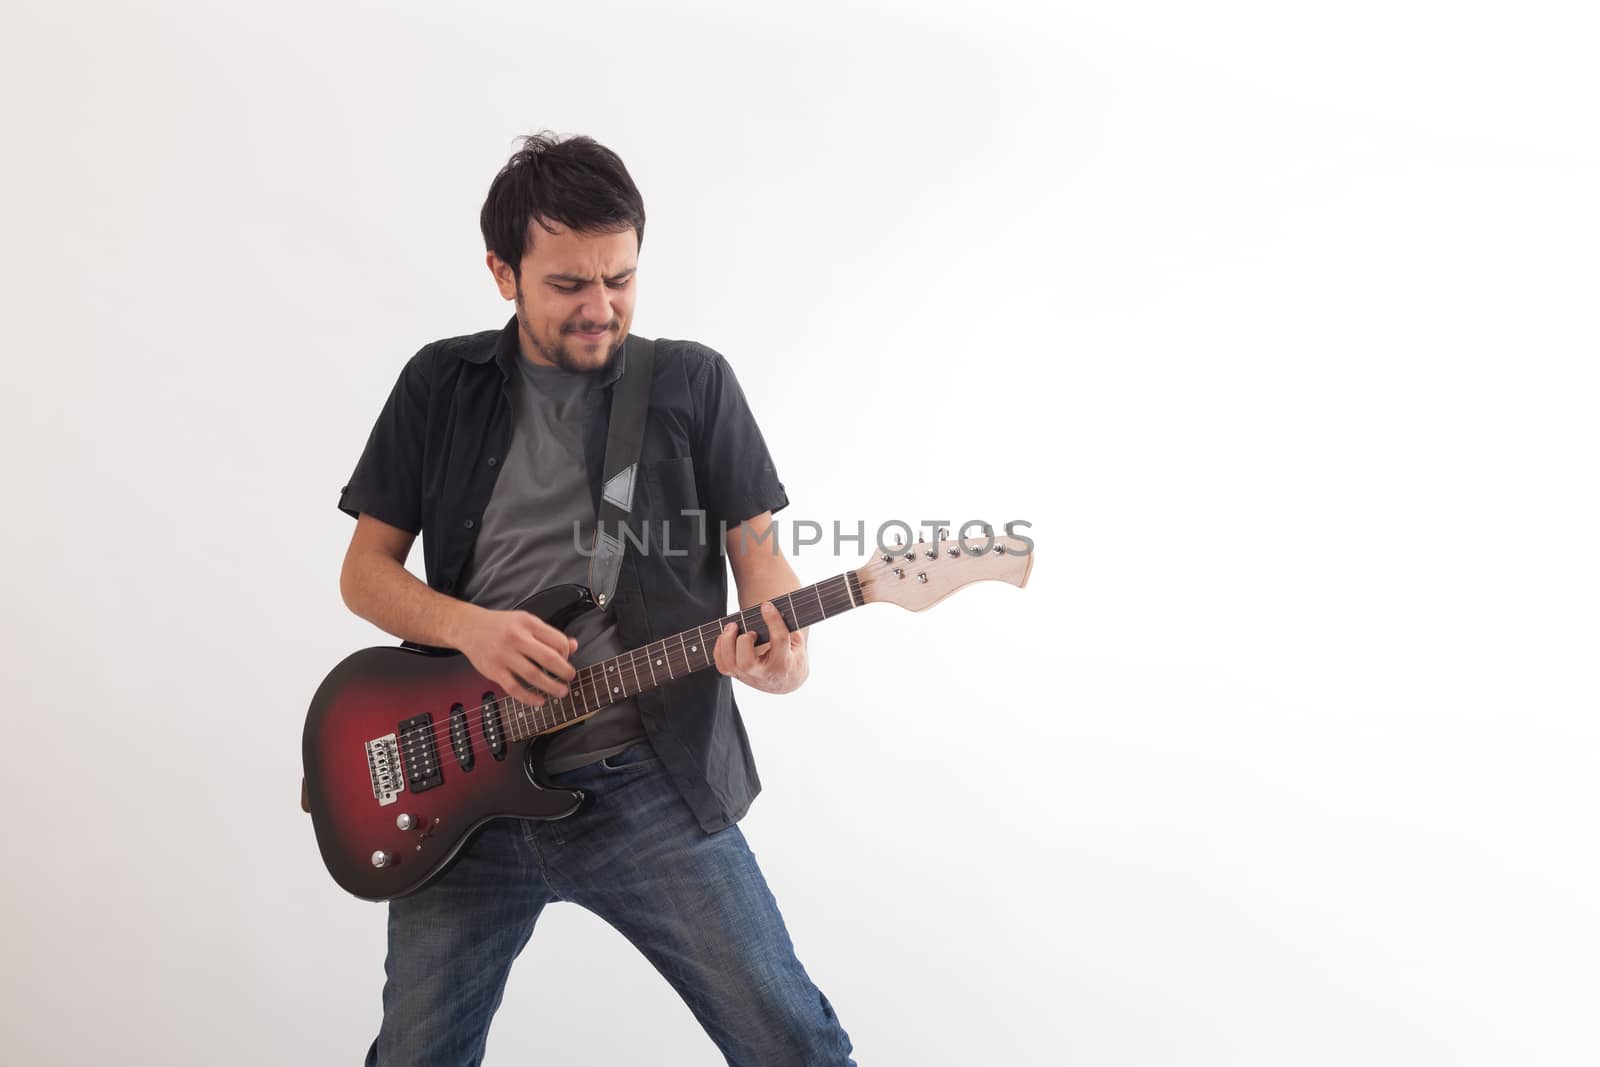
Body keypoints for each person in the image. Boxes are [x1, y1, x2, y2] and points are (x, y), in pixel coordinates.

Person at [335, 131, 855, 1066]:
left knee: (792, 1040)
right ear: (503, 272)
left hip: (647, 781)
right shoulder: (437, 385)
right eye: (569, 283)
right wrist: (470, 628)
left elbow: (763, 564)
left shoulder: (693, 381)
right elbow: (363, 572)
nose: (600, 306)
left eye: (620, 278)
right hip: (462, 789)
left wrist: (779, 653)